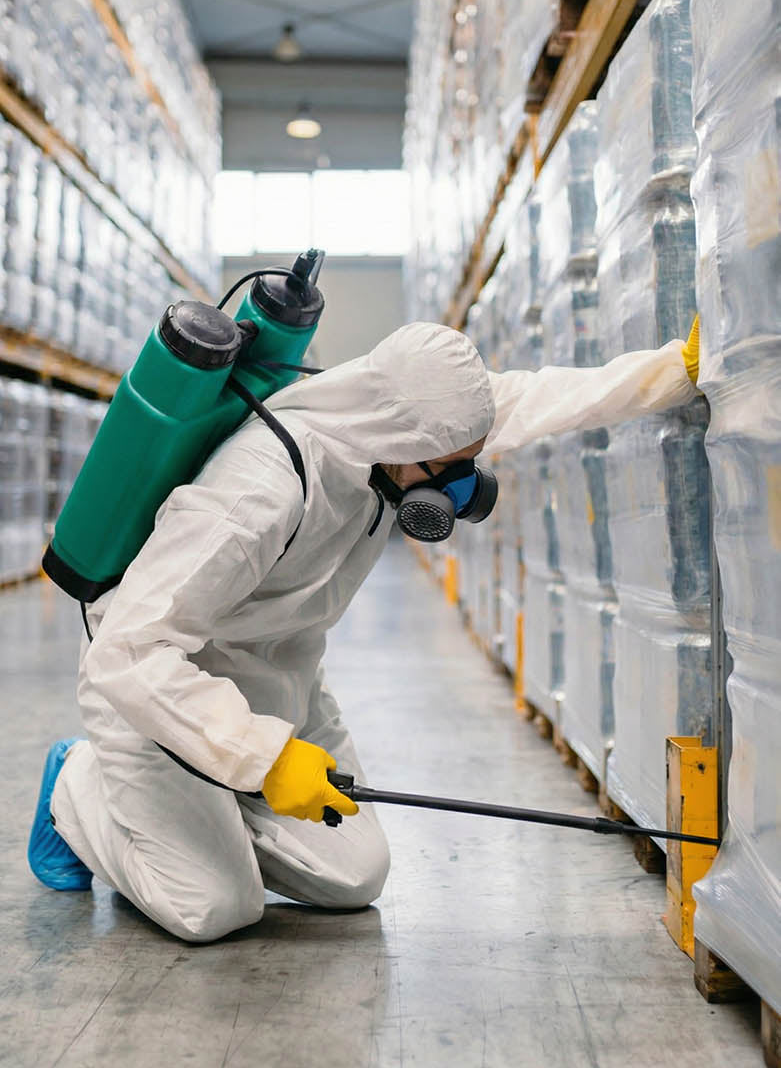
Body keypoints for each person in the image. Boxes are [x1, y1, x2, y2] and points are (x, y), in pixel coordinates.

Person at [28, 317, 700, 943]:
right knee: (211, 907)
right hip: (158, 690)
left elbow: (536, 399)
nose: (463, 485)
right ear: (400, 437)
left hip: (280, 675)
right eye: (451, 470)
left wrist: (675, 368)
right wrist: (261, 757)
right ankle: (77, 783)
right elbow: (130, 650)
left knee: (353, 878)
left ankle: (196, 811)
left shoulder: (414, 434)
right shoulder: (257, 491)